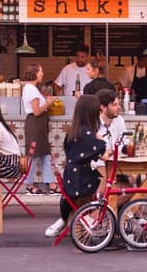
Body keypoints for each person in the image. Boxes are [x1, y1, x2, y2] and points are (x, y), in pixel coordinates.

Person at [45, 95, 107, 239]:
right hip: (81, 181)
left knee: (105, 180)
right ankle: (91, 222)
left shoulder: (75, 131)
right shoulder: (85, 132)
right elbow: (99, 148)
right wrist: (101, 142)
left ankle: (73, 221)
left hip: (72, 178)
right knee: (110, 184)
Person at [22, 63, 57, 194]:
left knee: (45, 154)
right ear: (35, 73)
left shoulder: (30, 88)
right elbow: (36, 111)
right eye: (40, 71)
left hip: (38, 126)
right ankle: (29, 184)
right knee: (34, 155)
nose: (42, 74)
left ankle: (50, 182)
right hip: (35, 125)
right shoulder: (31, 89)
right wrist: (48, 103)